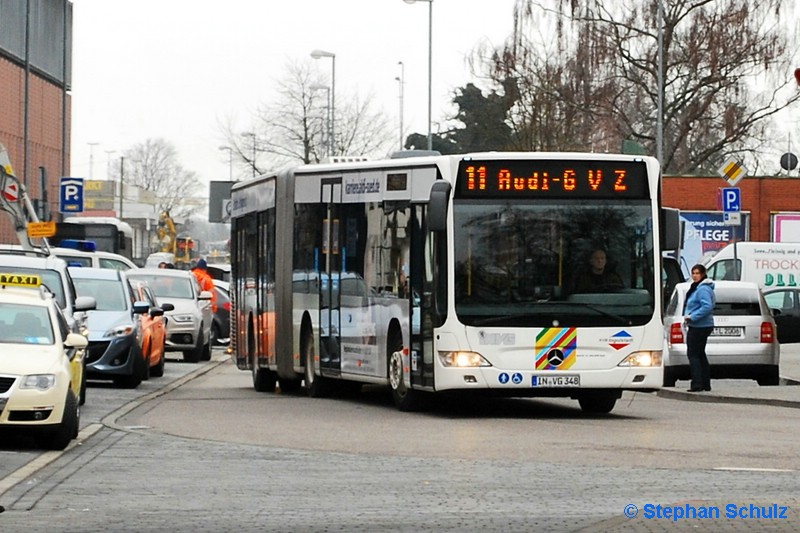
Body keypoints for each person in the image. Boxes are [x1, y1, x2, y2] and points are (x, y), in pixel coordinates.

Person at [683, 263, 715, 392]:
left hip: (700, 326)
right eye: (693, 273)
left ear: (703, 274)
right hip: (701, 325)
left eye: (698, 273)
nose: (695, 276)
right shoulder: (699, 287)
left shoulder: (702, 289)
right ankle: (705, 383)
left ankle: (697, 383)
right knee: (700, 354)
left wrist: (692, 317)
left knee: (693, 355)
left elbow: (707, 306)